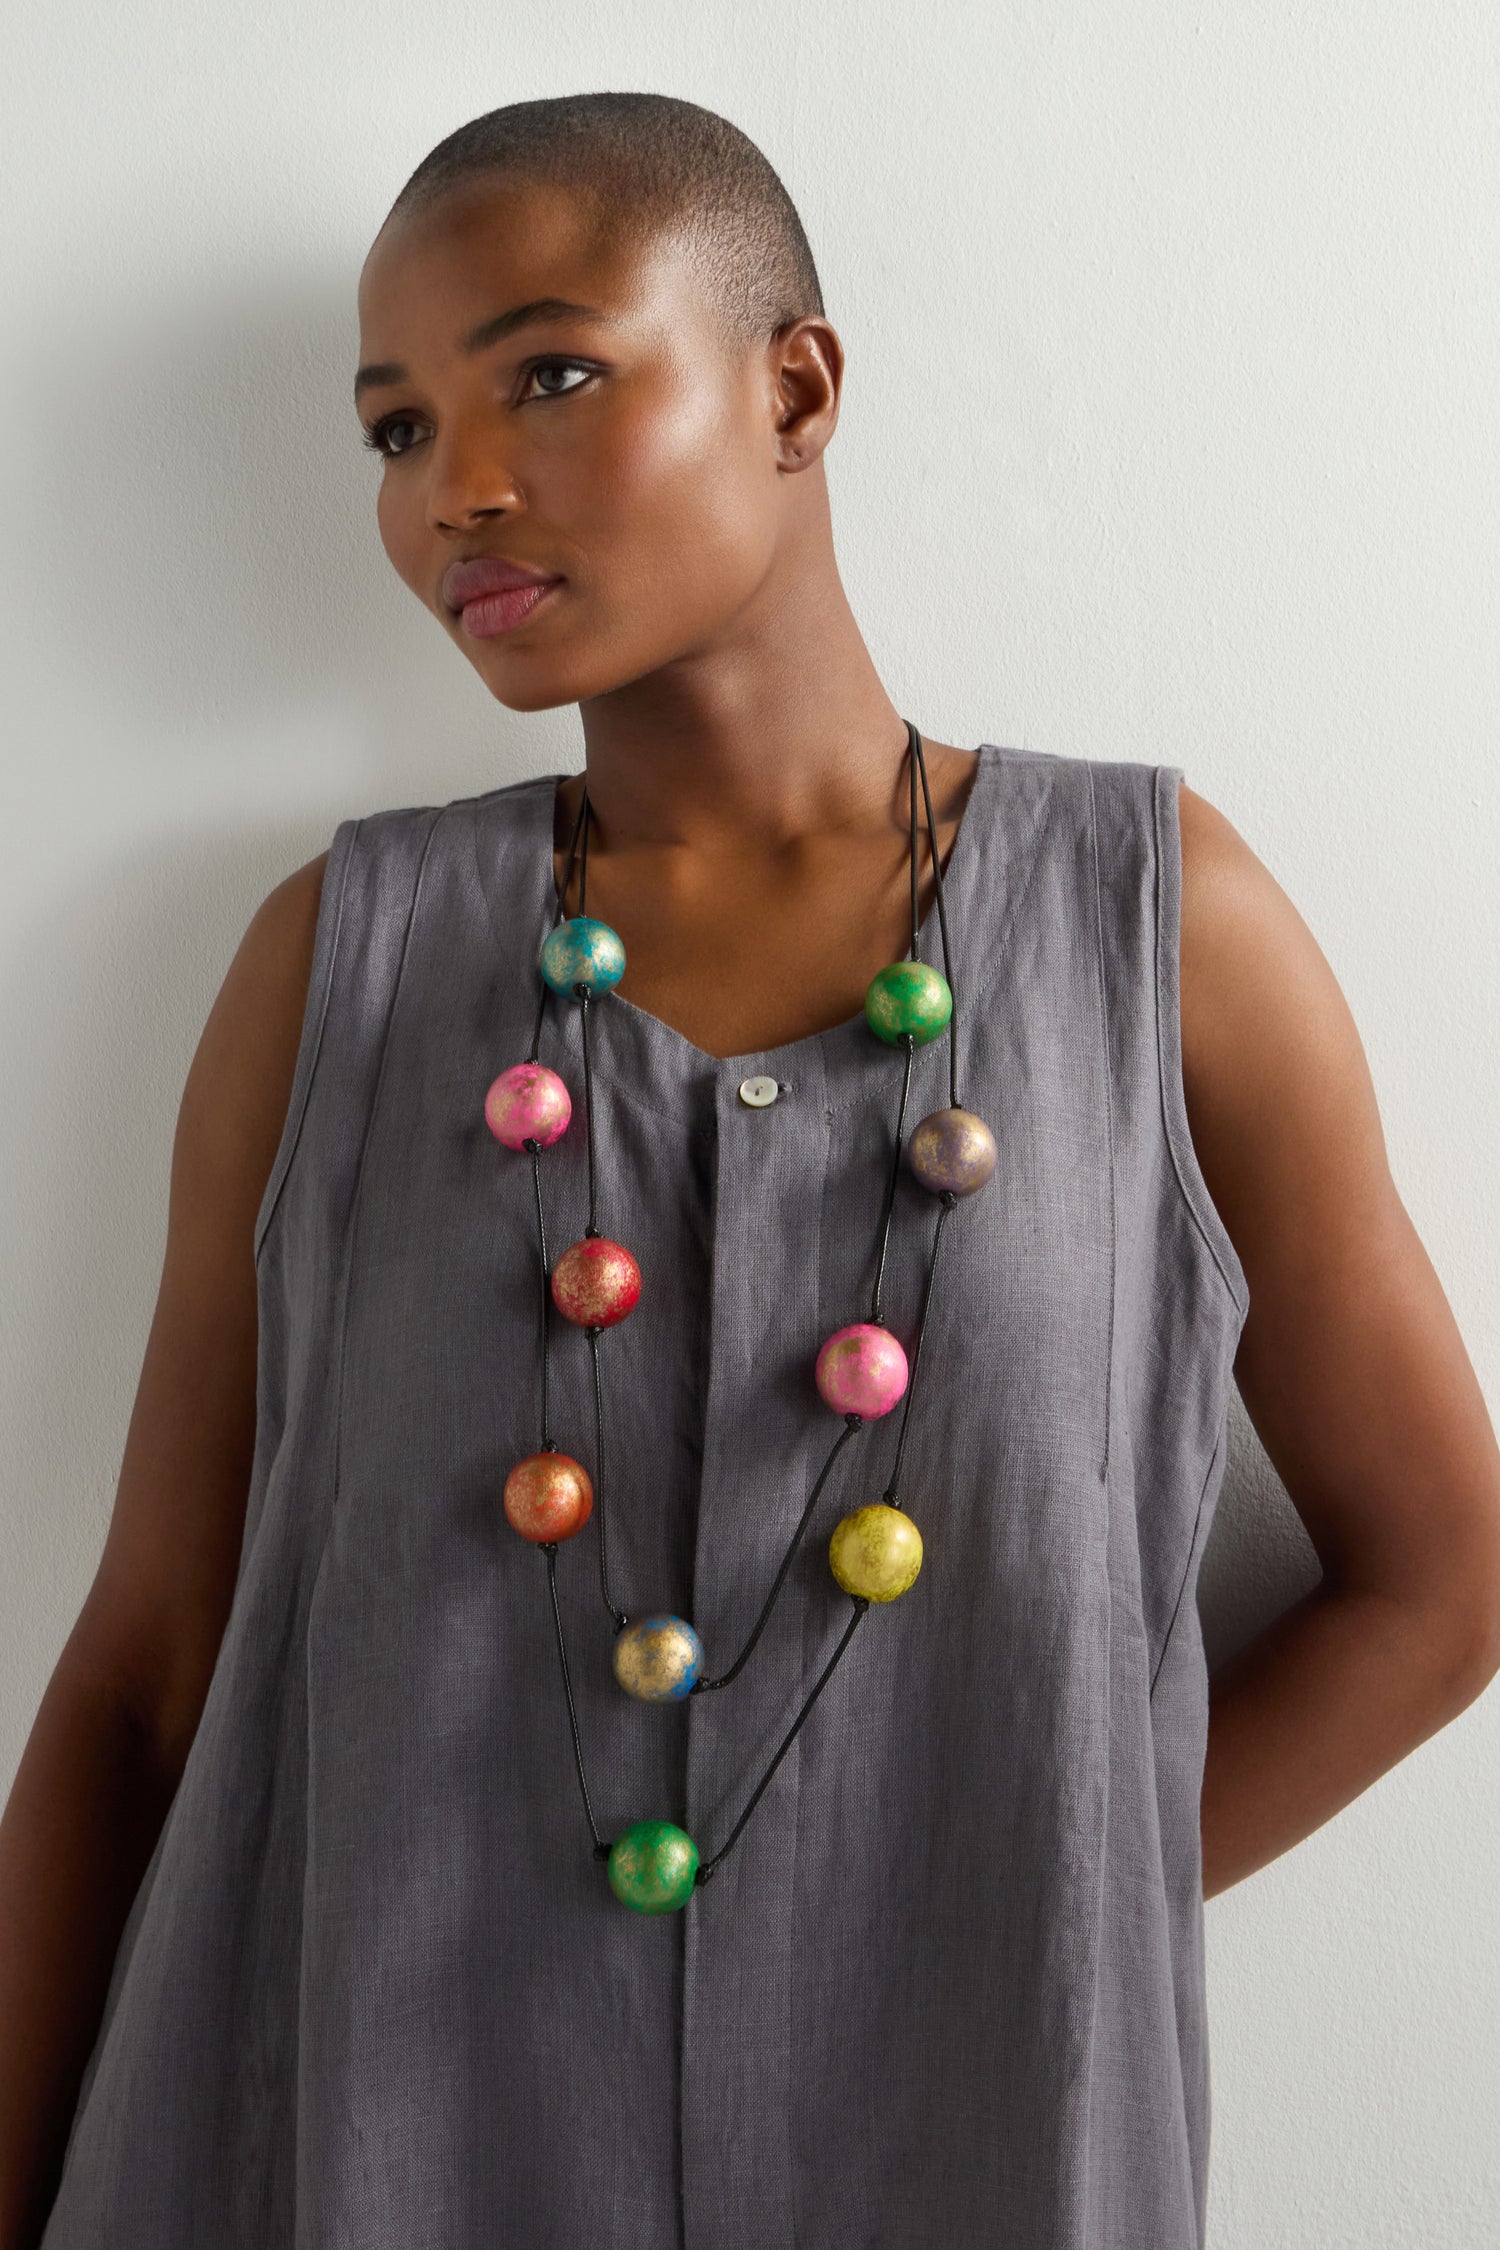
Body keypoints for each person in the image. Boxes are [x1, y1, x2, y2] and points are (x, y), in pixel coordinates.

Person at [3, 89, 1498, 2250]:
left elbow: (1441, 1585)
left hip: (968, 2160)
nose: (462, 488)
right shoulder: (344, 960)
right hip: (344, 2145)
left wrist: (1008, 1924)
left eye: (551, 371)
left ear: (795, 382)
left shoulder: (1150, 923)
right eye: (394, 429)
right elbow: (148, 1666)